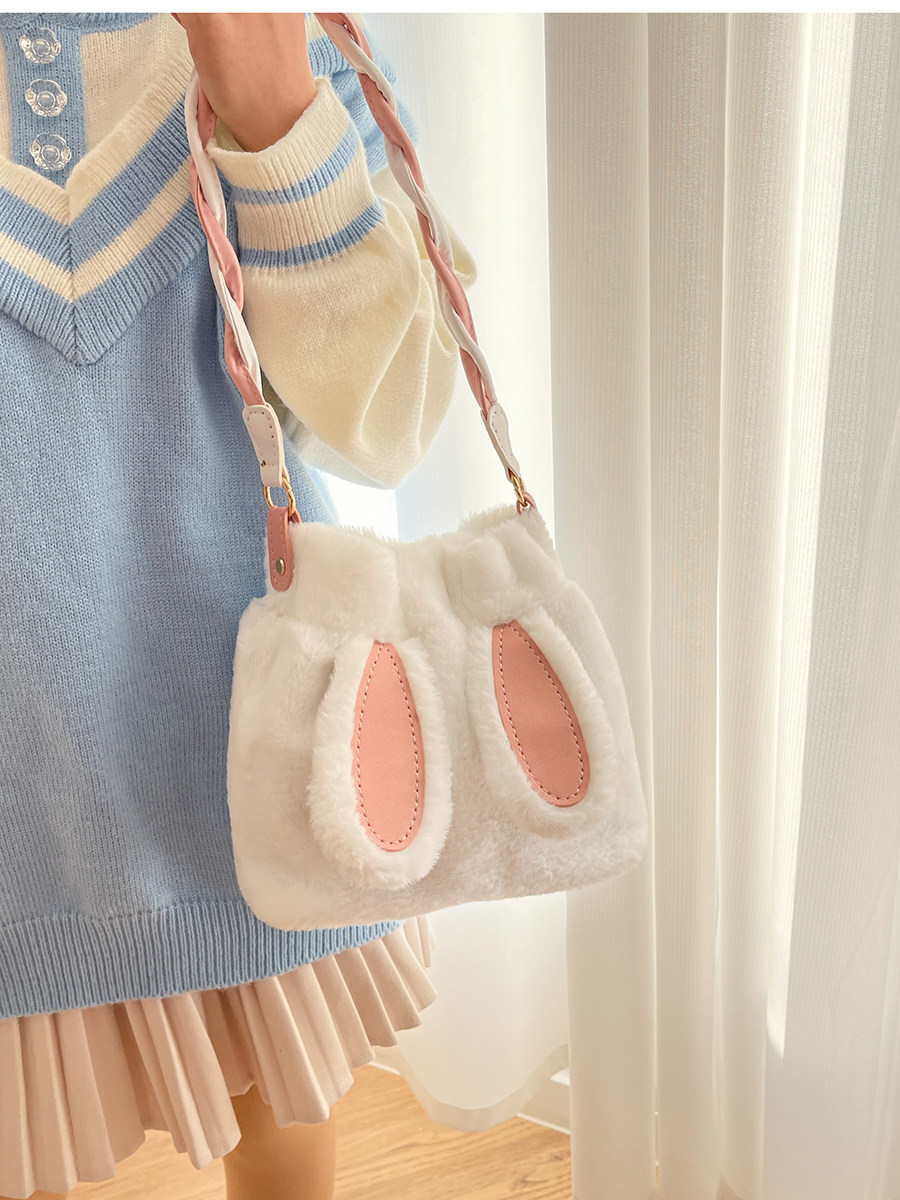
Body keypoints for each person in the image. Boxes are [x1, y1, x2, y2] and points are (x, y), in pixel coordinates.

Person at [0, 11, 476, 1200]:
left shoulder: (281, 34)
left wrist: (276, 118)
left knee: (287, 1113)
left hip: (239, 738)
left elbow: (390, 422)